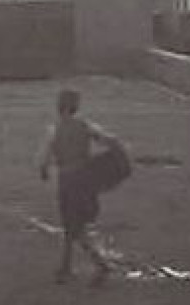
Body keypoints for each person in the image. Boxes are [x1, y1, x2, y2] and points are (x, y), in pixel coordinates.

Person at [39, 88, 126, 285]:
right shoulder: (86, 126)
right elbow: (111, 140)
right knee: (73, 225)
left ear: (58, 107)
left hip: (68, 181)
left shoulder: (54, 129)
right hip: (85, 179)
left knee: (73, 226)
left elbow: (44, 158)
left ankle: (101, 264)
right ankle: (65, 266)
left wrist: (44, 170)